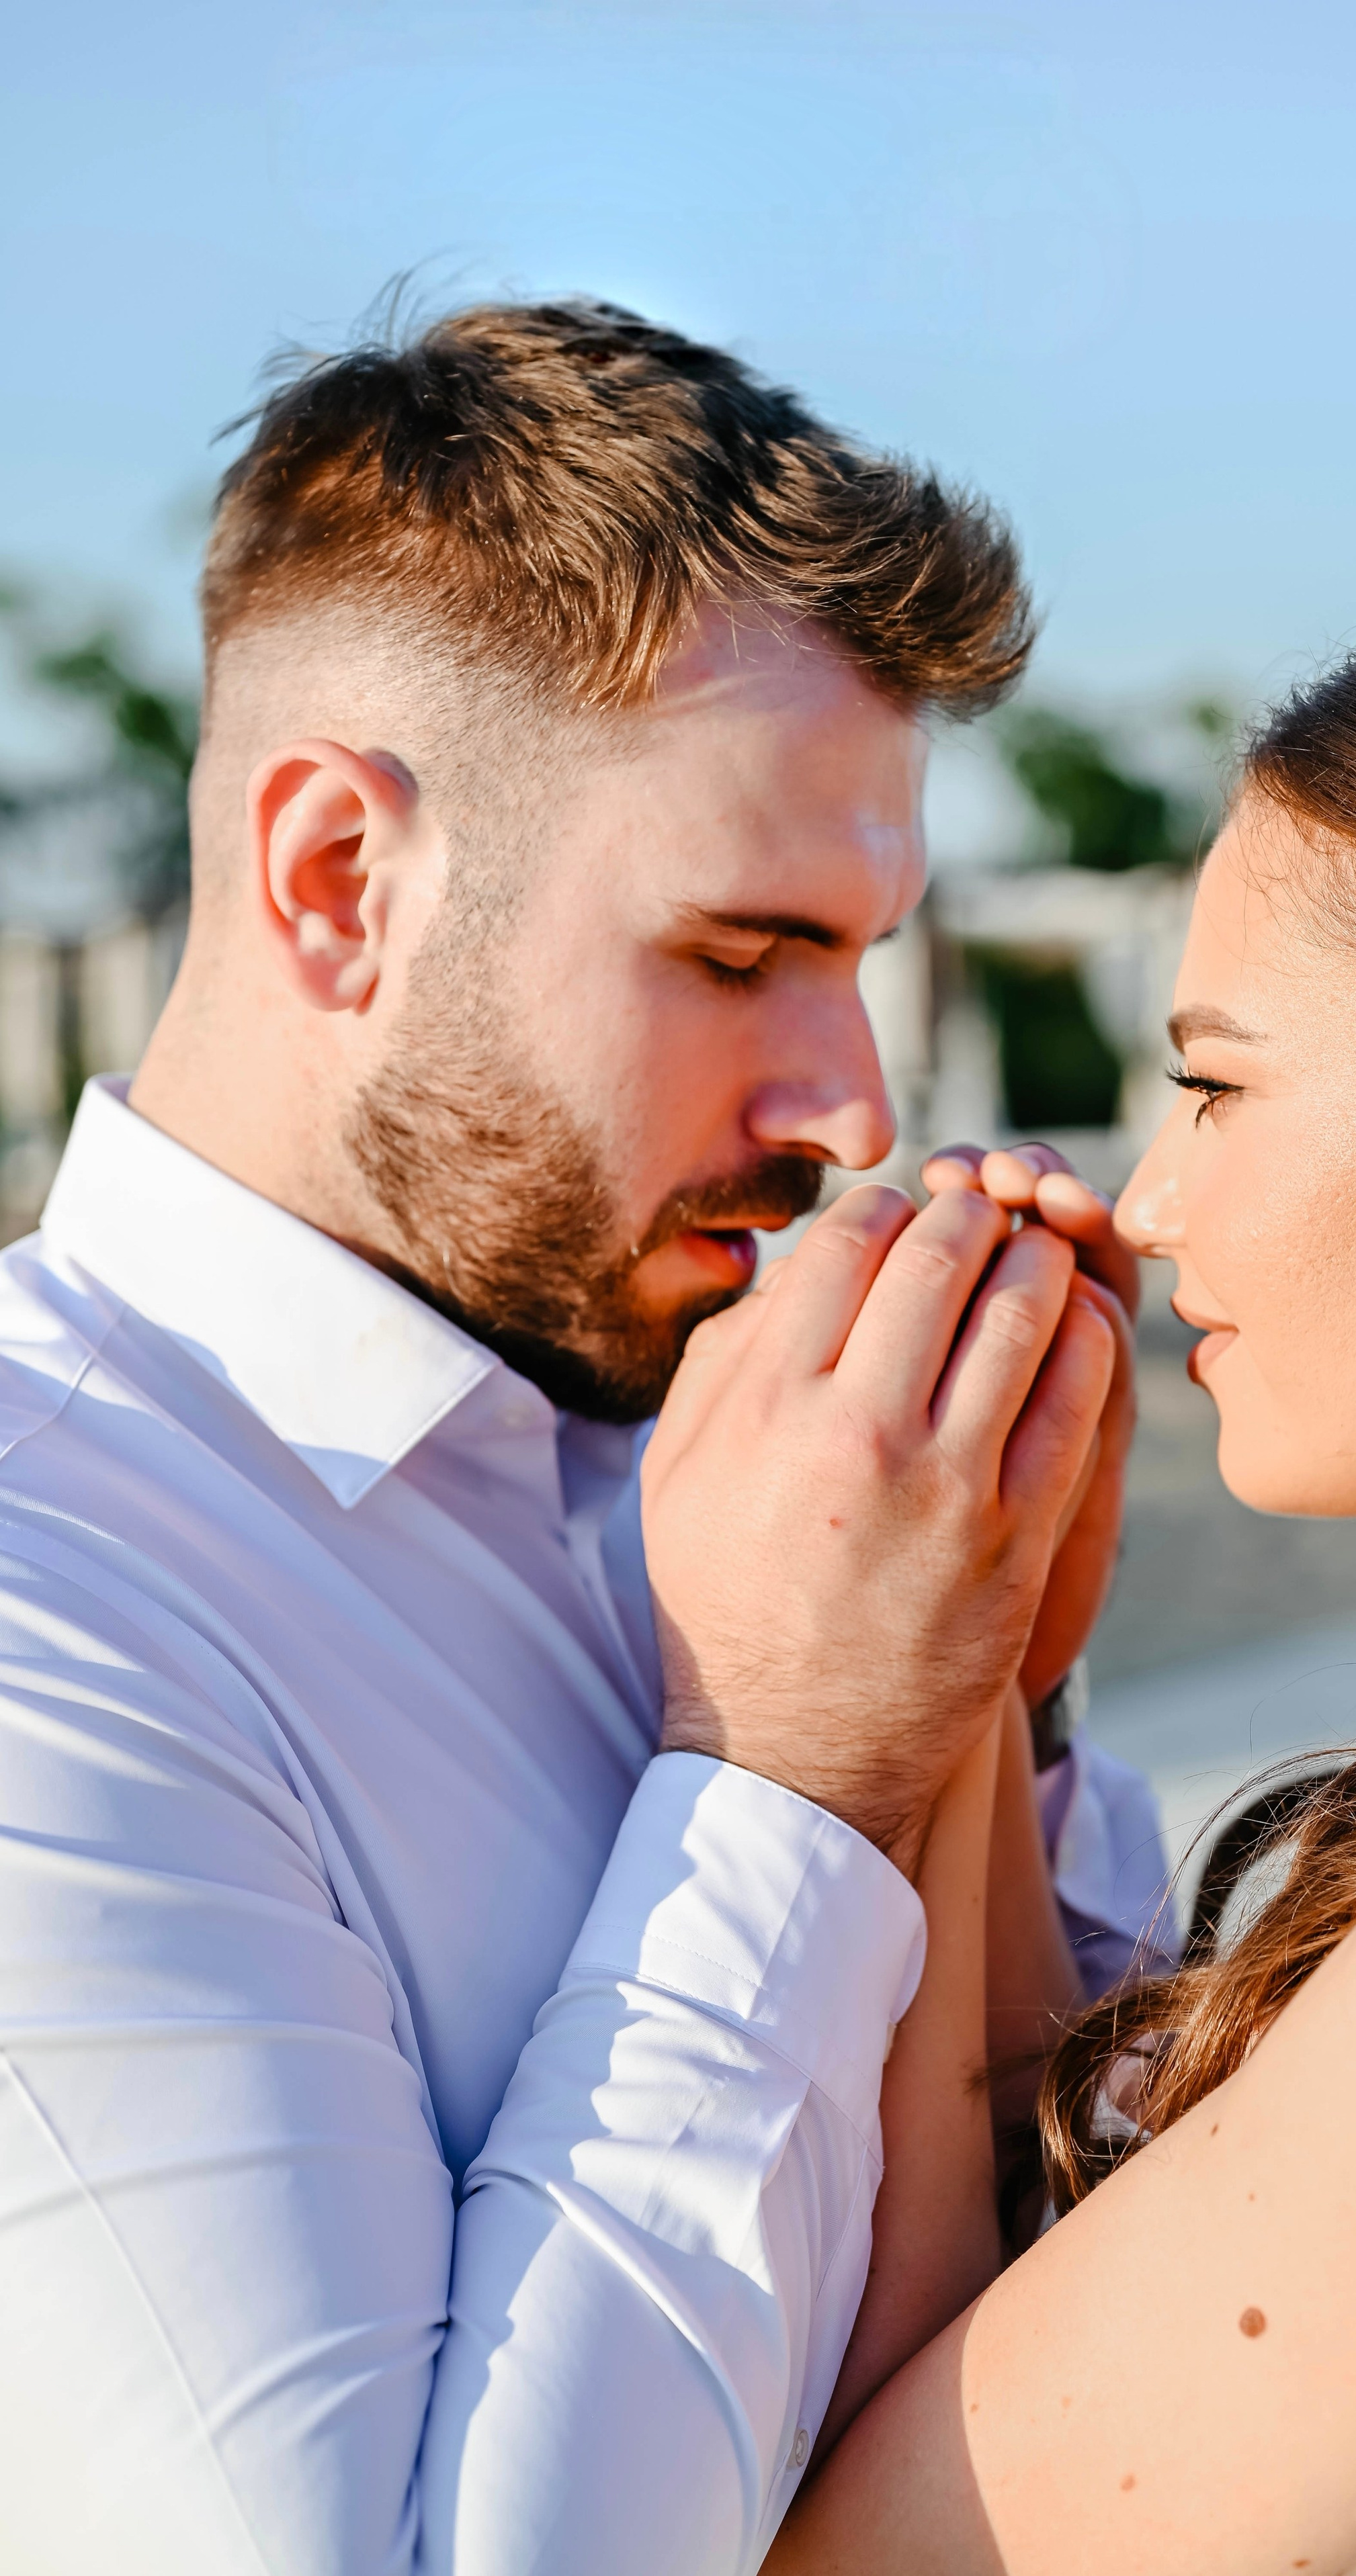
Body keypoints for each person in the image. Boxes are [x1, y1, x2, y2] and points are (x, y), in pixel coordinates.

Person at [0, 299, 1168, 2574]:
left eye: (865, 959)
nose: (850, 1102)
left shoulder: (714, 1443)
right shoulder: (49, 1608)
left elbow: (1080, 2312)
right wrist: (791, 1772)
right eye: (742, 957)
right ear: (339, 877)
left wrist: (998, 1716)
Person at [773, 588, 1356, 2576]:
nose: (1151, 1194)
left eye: (1217, 1084)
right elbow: (1128, 2257)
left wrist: (858, 1706)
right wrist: (984, 1681)